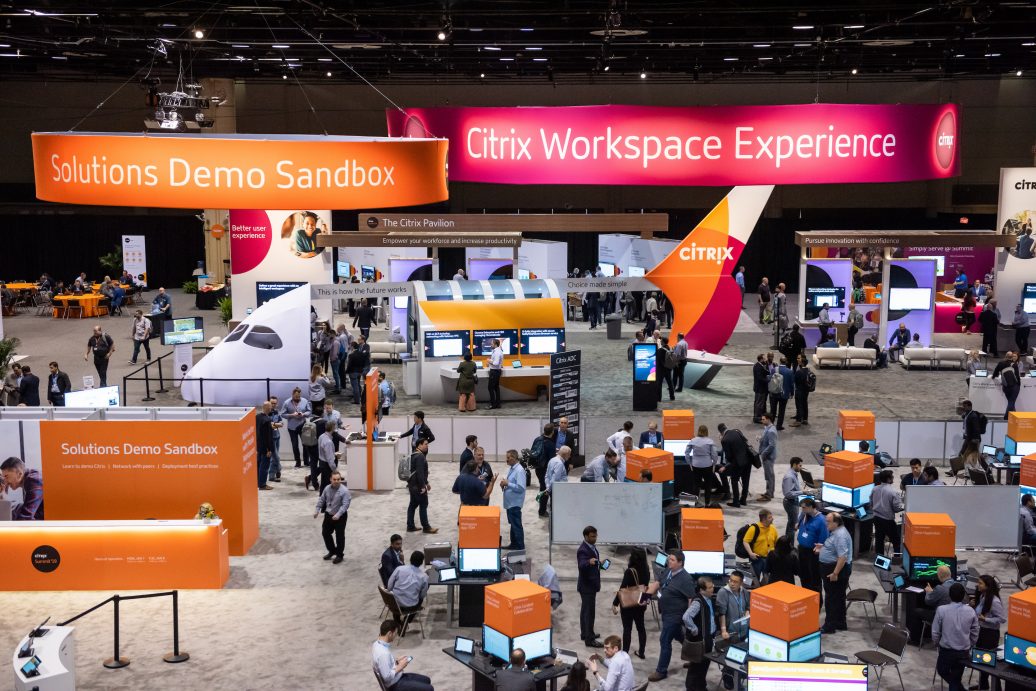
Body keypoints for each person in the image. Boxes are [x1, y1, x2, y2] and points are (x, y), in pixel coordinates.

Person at [646, 550, 697, 682]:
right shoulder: (668, 571)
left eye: (672, 560)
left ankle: (661, 671)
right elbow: (658, 583)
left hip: (675, 615)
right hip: (666, 612)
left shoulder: (686, 579)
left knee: (665, 640)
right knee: (679, 636)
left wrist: (688, 619)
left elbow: (691, 599)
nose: (669, 561)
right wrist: (646, 596)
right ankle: (695, 658)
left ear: (680, 563)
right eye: (669, 559)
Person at [933, 583, 979, 691]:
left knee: (943, 671)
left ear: (950, 595)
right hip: (963, 651)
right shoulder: (971, 611)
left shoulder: (941, 610)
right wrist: (971, 643)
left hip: (946, 651)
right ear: (963, 596)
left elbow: (935, 631)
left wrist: (936, 643)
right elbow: (975, 630)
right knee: (955, 677)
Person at [371, 619, 434, 691]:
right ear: (390, 633)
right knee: (429, 689)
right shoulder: (383, 654)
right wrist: (400, 666)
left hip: (397, 677)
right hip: (394, 684)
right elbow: (387, 677)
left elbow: (383, 666)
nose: (396, 636)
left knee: (427, 680)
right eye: (395, 633)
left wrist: (396, 662)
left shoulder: (376, 644)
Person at [611, 549, 649, 659]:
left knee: (627, 629)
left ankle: (625, 654)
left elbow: (622, 588)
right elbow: (646, 586)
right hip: (641, 602)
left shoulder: (630, 571)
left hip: (629, 604)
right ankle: (641, 652)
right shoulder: (646, 569)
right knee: (641, 628)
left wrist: (615, 603)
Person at [818, 511, 852, 633]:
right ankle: (840, 622)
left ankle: (830, 626)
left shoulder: (840, 536)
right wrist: (823, 548)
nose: (826, 523)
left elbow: (842, 557)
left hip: (835, 571)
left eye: (828, 521)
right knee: (839, 597)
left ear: (836, 523)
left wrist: (835, 573)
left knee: (831, 599)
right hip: (834, 568)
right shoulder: (837, 532)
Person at [682, 577, 717, 691]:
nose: (712, 589)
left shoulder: (709, 599)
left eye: (712, 586)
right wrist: (694, 629)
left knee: (704, 664)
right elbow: (686, 617)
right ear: (702, 590)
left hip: (708, 638)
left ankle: (701, 686)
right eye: (710, 587)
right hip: (700, 641)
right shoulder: (698, 602)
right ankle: (691, 688)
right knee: (696, 666)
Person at [972, 575, 1006, 691]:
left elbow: (1002, 619)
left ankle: (997, 688)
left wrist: (985, 619)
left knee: (988, 662)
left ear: (987, 586)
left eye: (980, 583)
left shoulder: (994, 601)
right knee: (981, 661)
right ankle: (983, 685)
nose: (977, 585)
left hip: (990, 635)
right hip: (981, 632)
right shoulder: (982, 596)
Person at [313, 469, 350, 563]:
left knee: (339, 536)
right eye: (334, 479)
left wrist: (338, 514)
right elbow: (322, 499)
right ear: (330, 479)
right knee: (325, 533)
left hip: (340, 517)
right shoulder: (327, 488)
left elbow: (345, 505)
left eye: (338, 479)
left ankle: (339, 555)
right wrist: (317, 510)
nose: (336, 481)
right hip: (328, 515)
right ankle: (332, 551)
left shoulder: (344, 491)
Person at [796, 498, 828, 605]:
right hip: (802, 550)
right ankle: (806, 599)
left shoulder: (821, 521)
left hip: (813, 553)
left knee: (814, 578)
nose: (802, 510)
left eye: (804, 508)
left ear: (811, 507)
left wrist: (820, 548)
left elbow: (824, 537)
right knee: (803, 575)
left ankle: (816, 604)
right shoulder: (805, 515)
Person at [577, 525, 603, 647]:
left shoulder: (591, 547)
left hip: (590, 585)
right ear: (586, 536)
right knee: (589, 613)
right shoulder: (583, 550)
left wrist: (598, 564)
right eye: (592, 536)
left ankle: (585, 633)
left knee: (585, 611)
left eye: (596, 536)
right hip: (587, 586)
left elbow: (593, 562)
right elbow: (581, 565)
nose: (595, 538)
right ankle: (590, 639)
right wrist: (589, 561)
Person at [405, 439, 437, 534]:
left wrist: (427, 482)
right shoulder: (420, 456)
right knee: (423, 504)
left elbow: (419, 472)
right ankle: (426, 527)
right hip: (418, 486)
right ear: (419, 445)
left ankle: (410, 526)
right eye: (425, 444)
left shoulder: (414, 454)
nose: (427, 446)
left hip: (412, 485)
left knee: (412, 505)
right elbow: (420, 473)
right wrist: (423, 486)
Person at [387, 550, 429, 621]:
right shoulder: (424, 577)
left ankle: (397, 619)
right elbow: (422, 595)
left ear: (410, 559)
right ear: (421, 563)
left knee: (396, 595)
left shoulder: (399, 569)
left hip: (394, 605)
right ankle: (408, 620)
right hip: (410, 607)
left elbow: (389, 586)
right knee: (421, 597)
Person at [871, 469, 904, 557]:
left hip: (876, 519)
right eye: (892, 477)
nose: (893, 478)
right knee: (896, 541)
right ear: (889, 479)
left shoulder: (874, 489)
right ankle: (897, 559)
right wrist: (903, 507)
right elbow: (896, 508)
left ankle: (879, 559)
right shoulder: (893, 492)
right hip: (888, 521)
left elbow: (871, 502)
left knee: (879, 540)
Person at [685, 425, 719, 506]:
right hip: (707, 465)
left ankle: (695, 503)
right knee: (708, 485)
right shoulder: (710, 441)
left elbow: (686, 453)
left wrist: (689, 463)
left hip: (696, 465)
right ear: (707, 431)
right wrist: (714, 463)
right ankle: (707, 503)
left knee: (696, 485)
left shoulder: (693, 440)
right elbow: (714, 454)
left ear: (698, 431)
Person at [719, 423, 751, 508]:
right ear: (726, 427)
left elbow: (729, 457)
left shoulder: (724, 440)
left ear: (720, 432)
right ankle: (743, 500)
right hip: (748, 460)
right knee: (745, 480)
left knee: (734, 480)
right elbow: (746, 442)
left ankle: (736, 502)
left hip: (738, 463)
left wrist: (725, 466)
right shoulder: (736, 431)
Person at [500, 449, 527, 550]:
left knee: (516, 525)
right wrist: (505, 484)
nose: (506, 460)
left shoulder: (519, 471)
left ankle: (520, 547)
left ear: (514, 458)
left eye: (508, 458)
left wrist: (508, 483)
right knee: (513, 524)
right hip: (510, 502)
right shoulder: (512, 469)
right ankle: (514, 544)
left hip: (515, 503)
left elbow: (521, 488)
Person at [716, 569, 751, 644]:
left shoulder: (744, 592)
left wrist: (747, 612)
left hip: (744, 630)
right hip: (730, 633)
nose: (732, 584)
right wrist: (723, 630)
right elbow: (721, 613)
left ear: (741, 583)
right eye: (731, 580)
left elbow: (748, 607)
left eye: (735, 582)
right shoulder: (723, 592)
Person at [743, 510, 778, 583]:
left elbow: (776, 542)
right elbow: (745, 541)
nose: (772, 519)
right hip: (757, 559)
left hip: (769, 558)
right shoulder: (754, 528)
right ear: (764, 519)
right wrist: (750, 553)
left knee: (769, 579)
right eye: (770, 517)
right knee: (754, 580)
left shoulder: (773, 528)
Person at [281, 388, 311, 468]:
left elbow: (309, 411)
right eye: (296, 396)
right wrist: (292, 415)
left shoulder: (305, 401)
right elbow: (282, 414)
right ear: (292, 395)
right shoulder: (286, 402)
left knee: (306, 444)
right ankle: (298, 462)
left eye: (299, 396)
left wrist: (303, 414)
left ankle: (306, 462)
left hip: (303, 426)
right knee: (295, 445)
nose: (297, 398)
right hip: (292, 427)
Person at [532, 423, 557, 517]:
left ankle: (542, 509)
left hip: (538, 468)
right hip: (546, 470)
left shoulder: (537, 439)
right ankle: (542, 511)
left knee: (542, 487)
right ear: (552, 432)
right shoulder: (550, 444)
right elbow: (552, 461)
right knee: (546, 489)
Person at [542, 445, 572, 517]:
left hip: (553, 488)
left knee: (553, 508)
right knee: (557, 510)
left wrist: (548, 487)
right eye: (569, 454)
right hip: (558, 490)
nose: (570, 456)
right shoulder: (559, 464)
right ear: (565, 455)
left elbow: (547, 475)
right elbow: (555, 479)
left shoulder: (552, 460)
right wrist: (549, 489)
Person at [781, 457, 807, 536]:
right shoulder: (789, 477)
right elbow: (788, 493)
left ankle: (787, 541)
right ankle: (789, 543)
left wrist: (801, 490)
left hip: (793, 502)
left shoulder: (793, 474)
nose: (801, 467)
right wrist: (802, 492)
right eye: (800, 465)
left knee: (791, 523)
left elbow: (793, 489)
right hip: (790, 503)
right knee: (792, 526)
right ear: (794, 465)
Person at [316, 418, 343, 493]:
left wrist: (333, 453)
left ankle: (322, 498)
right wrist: (335, 470)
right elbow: (330, 460)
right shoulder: (328, 442)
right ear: (332, 428)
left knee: (323, 485)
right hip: (327, 466)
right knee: (328, 487)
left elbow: (324, 451)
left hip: (322, 463)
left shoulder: (321, 436)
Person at [768, 356, 794, 430]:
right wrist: (792, 393)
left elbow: (770, 380)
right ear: (786, 362)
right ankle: (779, 426)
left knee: (772, 410)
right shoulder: (790, 371)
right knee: (781, 411)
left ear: (780, 361)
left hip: (774, 393)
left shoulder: (773, 370)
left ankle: (770, 425)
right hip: (784, 394)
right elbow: (792, 384)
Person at [994, 351, 1022, 419]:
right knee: (1011, 402)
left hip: (1005, 386)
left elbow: (995, 373)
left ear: (1005, 356)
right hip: (1014, 386)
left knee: (1010, 401)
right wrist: (1019, 385)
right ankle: (1006, 417)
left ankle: (1014, 416)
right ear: (1011, 357)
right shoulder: (1014, 364)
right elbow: (1017, 376)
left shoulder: (1001, 363)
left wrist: (993, 377)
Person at [756, 414, 778, 502]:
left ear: (768, 419)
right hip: (767, 455)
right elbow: (766, 440)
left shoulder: (771, 431)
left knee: (769, 476)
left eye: (763, 419)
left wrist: (764, 454)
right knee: (768, 475)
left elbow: (772, 445)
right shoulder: (767, 428)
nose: (762, 421)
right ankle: (769, 492)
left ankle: (769, 494)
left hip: (768, 456)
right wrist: (760, 439)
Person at [255, 400, 275, 490]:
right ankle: (262, 484)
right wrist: (269, 449)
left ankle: (258, 482)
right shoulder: (267, 420)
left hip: (259, 446)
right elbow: (268, 437)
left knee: (259, 465)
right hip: (265, 448)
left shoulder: (257, 417)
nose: (271, 408)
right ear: (268, 408)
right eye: (270, 407)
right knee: (264, 466)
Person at [790, 353, 812, 426]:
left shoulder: (799, 372)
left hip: (799, 390)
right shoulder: (808, 370)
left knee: (799, 405)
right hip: (806, 390)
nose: (797, 360)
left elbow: (794, 380)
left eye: (799, 359)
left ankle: (798, 421)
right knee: (805, 403)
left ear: (802, 362)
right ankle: (805, 419)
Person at [752, 354, 769, 423]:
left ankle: (758, 416)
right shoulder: (758, 367)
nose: (766, 359)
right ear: (761, 359)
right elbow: (760, 378)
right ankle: (757, 418)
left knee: (758, 402)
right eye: (764, 358)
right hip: (760, 388)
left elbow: (765, 372)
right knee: (759, 403)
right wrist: (768, 380)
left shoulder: (759, 365)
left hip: (759, 388)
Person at [487, 338, 503, 409]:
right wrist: (490, 362)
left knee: (490, 388)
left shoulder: (497, 352)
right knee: (496, 388)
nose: (491, 345)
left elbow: (496, 363)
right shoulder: (498, 351)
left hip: (494, 371)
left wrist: (489, 361)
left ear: (495, 344)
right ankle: (498, 404)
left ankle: (493, 404)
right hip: (496, 371)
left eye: (492, 344)